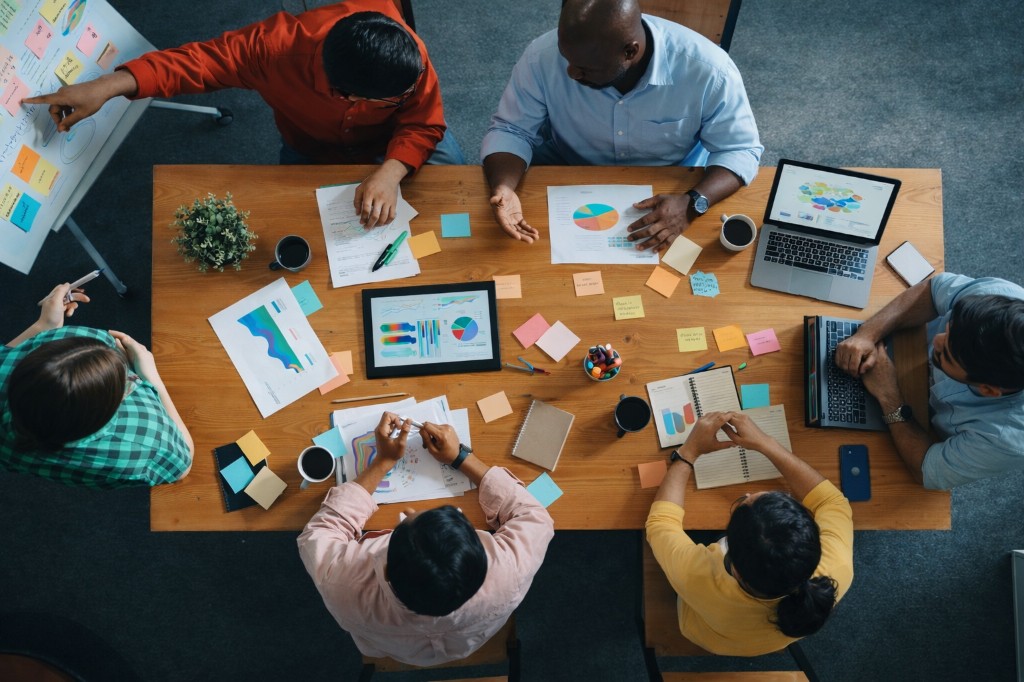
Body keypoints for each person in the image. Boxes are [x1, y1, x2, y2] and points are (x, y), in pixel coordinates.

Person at [23, 1, 464, 229]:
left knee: (456, 186)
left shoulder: (407, 58)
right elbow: (194, 63)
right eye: (390, 99)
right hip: (311, 148)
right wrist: (105, 86)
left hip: (397, 144)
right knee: (293, 221)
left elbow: (424, 121)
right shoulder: (271, 49)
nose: (411, 91)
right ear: (342, 93)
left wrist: (390, 171)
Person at [481, 0, 762, 249]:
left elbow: (740, 149)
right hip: (572, 170)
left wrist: (692, 203)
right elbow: (510, 130)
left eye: (585, 68)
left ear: (630, 52)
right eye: (566, 58)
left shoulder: (710, 70)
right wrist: (504, 186)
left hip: (672, 186)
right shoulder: (540, 58)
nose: (570, 72)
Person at [297, 413, 554, 666]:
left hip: (390, 649)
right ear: (481, 555)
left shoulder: (343, 588)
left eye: (406, 519)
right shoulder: (510, 572)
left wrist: (382, 462)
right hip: (471, 640)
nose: (409, 511)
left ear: (385, 568)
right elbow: (535, 517)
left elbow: (320, 531)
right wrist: (461, 457)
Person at [646, 412, 853, 656]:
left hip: (705, 630)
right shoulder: (838, 566)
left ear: (735, 567)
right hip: (756, 638)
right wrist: (767, 443)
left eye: (742, 502)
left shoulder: (697, 578)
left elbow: (660, 523)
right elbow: (831, 501)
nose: (747, 494)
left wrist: (688, 453)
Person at [835, 273, 1024, 489]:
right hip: (906, 353)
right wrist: (867, 334)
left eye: (947, 355)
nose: (938, 340)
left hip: (921, 426)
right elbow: (932, 291)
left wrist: (888, 394)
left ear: (989, 390)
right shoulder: (998, 299)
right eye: (947, 329)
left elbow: (925, 470)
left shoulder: (1006, 439)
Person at [1, 284, 194, 487]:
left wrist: (44, 326)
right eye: (128, 379)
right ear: (102, 412)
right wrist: (151, 377)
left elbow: (6, 354)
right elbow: (183, 462)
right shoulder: (139, 444)